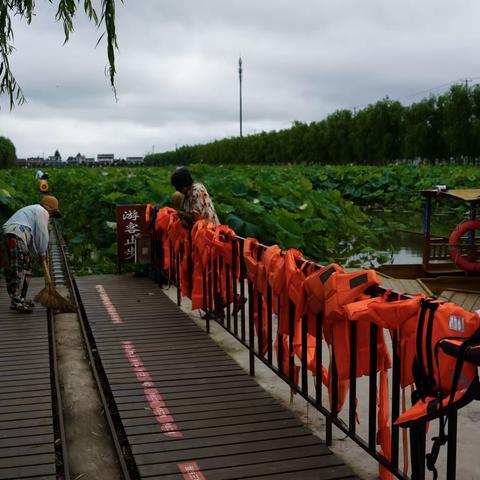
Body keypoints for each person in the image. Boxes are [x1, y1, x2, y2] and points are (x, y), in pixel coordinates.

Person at [1, 195, 61, 312]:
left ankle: (18, 299)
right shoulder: (42, 211)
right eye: (53, 214)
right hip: (17, 235)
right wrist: (42, 252)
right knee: (23, 267)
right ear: (51, 209)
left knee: (12, 268)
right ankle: (18, 301)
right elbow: (42, 234)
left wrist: (38, 254)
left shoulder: (32, 210)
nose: (51, 217)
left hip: (7, 234)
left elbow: (32, 239)